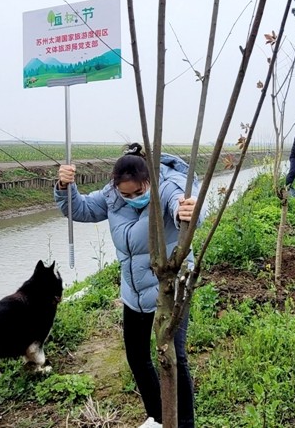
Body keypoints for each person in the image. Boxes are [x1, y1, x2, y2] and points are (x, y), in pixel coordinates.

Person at [54, 143, 202, 428]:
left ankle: (184, 423)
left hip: (169, 290)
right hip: (133, 291)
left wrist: (188, 211)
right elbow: (81, 209)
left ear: (149, 180)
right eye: (126, 194)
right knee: (137, 357)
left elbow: (182, 208)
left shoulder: (168, 187)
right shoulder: (112, 197)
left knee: (174, 359)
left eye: (139, 192)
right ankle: (158, 416)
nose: (133, 198)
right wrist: (65, 186)